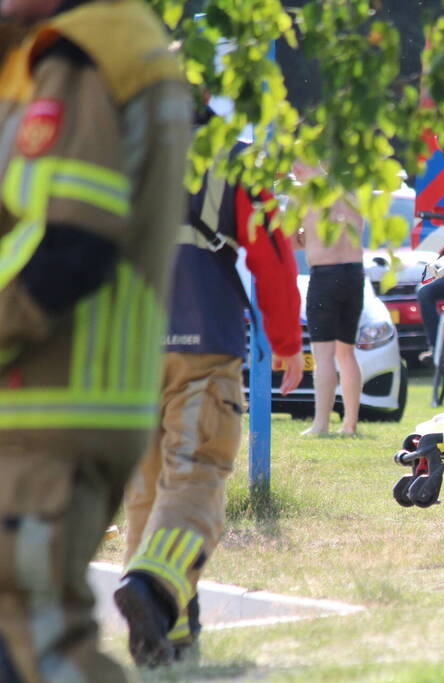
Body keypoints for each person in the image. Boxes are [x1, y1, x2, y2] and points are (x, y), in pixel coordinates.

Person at [0, 0, 191, 680]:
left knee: (39, 645)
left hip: (49, 401)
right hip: (66, 401)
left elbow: (71, 246)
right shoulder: (104, 47)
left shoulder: (80, 55)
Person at [115, 108, 305, 667]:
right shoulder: (234, 157)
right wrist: (287, 340)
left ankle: (164, 637)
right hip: (202, 343)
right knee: (195, 476)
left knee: (146, 493)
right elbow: (270, 253)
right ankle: (152, 587)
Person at [292, 161, 366, 436]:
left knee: (323, 355)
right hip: (354, 274)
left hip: (325, 275)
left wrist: (303, 236)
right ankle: (350, 424)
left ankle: (321, 424)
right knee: (346, 352)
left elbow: (288, 241)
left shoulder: (304, 196)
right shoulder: (351, 192)